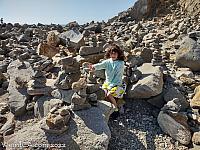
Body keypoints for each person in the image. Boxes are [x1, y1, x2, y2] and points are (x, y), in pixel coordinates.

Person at [89, 44, 126, 118]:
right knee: (102, 93)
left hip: (117, 84)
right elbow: (100, 65)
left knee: (109, 94)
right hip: (107, 83)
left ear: (118, 54)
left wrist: (110, 86)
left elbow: (118, 77)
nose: (113, 55)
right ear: (109, 54)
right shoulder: (107, 62)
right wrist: (93, 67)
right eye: (111, 53)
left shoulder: (121, 63)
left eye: (115, 53)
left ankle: (115, 109)